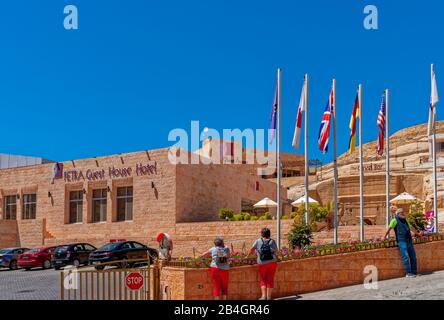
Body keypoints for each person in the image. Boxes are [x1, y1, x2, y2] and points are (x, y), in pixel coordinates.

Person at [384, 208, 421, 278]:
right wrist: (384, 237)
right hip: (401, 241)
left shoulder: (406, 220)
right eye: (401, 212)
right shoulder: (394, 220)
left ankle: (414, 272)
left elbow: (411, 228)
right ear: (397, 214)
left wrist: (418, 234)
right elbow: (389, 229)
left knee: (413, 257)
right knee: (406, 257)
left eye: (403, 212)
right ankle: (408, 273)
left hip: (409, 240)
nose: (403, 213)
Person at [248, 227, 278, 300]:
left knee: (263, 279)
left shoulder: (258, 241)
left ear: (262, 234)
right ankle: (269, 297)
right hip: (272, 263)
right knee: (270, 279)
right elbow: (276, 251)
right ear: (269, 234)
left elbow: (251, 250)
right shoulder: (272, 241)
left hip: (261, 263)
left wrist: (248, 256)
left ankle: (263, 296)